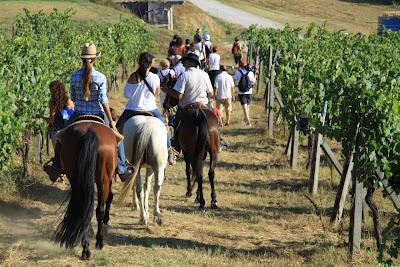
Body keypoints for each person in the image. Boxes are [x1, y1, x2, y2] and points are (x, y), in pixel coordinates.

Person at [44, 43, 132, 182]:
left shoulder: (74, 76)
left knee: (61, 136)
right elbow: (104, 101)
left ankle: (56, 167)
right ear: (95, 59)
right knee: (118, 139)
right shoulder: (101, 77)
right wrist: (112, 123)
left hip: (78, 114)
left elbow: (73, 97)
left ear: (82, 59)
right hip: (98, 114)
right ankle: (121, 169)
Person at [116, 52, 175, 165]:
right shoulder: (154, 77)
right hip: (151, 109)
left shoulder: (133, 76)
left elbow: (126, 94)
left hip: (132, 110)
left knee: (116, 131)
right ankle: (170, 151)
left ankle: (118, 158)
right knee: (164, 129)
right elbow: (157, 94)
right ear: (149, 64)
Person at [161, 52, 214, 161]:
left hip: (187, 107)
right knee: (213, 120)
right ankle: (218, 141)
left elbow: (178, 95)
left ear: (190, 62)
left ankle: (176, 149)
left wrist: (167, 90)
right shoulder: (204, 74)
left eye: (184, 61)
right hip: (203, 106)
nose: (183, 63)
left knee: (176, 123)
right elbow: (211, 94)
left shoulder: (185, 75)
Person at [233, 59, 256, 127]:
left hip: (241, 91)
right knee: (247, 105)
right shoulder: (250, 72)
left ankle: (247, 120)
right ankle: (247, 119)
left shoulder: (238, 72)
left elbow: (234, 80)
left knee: (244, 106)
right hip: (249, 91)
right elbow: (253, 82)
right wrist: (256, 76)